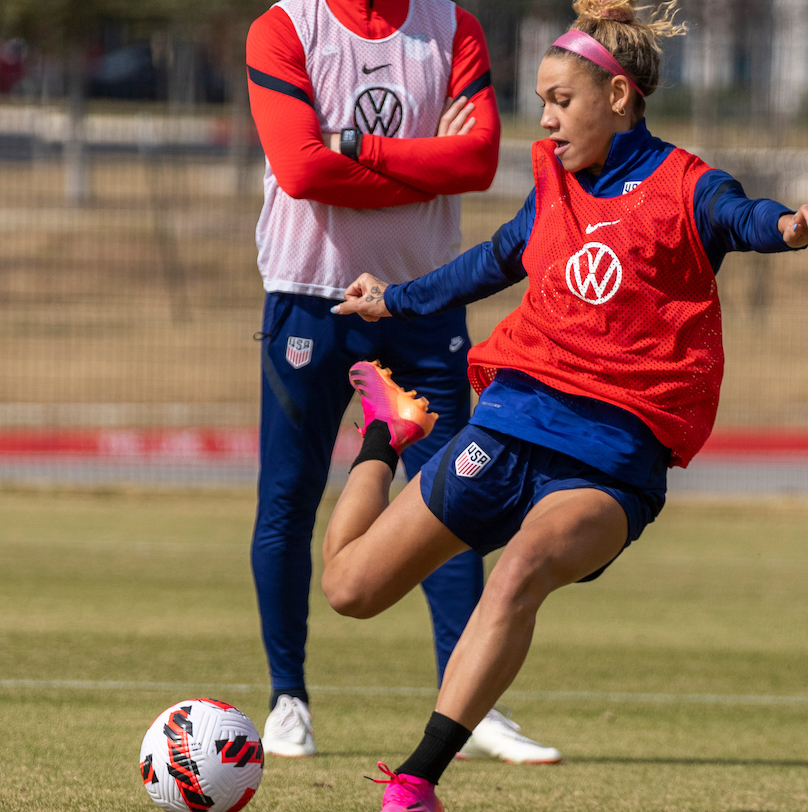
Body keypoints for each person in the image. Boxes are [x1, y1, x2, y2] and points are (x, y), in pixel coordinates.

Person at [321, 0, 808, 808]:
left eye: (561, 99)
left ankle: (416, 781)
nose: (546, 117)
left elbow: (745, 220)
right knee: (350, 590)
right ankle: (389, 433)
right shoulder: (552, 186)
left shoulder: (687, 186)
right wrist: (394, 299)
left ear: (620, 96)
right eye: (542, 99)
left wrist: (793, 228)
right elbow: (492, 262)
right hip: (510, 423)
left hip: (610, 458)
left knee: (520, 569)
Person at [244, 0, 561, 763]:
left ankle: (471, 703)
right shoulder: (284, 27)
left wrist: (350, 146)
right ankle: (288, 696)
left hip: (420, 299)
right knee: (288, 496)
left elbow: (477, 164)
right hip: (308, 296)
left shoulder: (454, 27)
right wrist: (420, 162)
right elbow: (299, 168)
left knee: (454, 497)